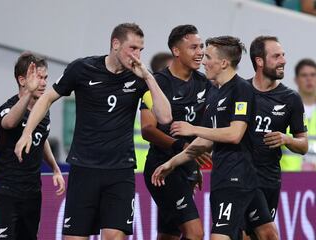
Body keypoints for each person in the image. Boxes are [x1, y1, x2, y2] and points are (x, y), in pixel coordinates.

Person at [15, 23, 172, 240]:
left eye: (140, 50)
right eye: (132, 48)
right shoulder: (82, 69)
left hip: (120, 170)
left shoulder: (138, 78)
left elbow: (165, 117)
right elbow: (47, 98)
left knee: (115, 236)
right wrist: (27, 132)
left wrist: (148, 77)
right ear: (115, 44)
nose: (137, 55)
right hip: (84, 168)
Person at [152, 36, 258, 240]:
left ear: (224, 63)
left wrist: (193, 129)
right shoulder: (215, 94)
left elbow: (234, 134)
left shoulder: (241, 89)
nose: (203, 61)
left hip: (238, 178)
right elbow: (207, 140)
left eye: (208, 56)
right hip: (221, 178)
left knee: (220, 236)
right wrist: (172, 163)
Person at [141, 24, 211, 240]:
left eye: (201, 47)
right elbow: (147, 129)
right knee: (195, 233)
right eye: (193, 47)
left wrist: (192, 163)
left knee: (168, 235)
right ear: (176, 51)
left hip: (186, 168)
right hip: (162, 170)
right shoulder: (157, 83)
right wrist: (182, 147)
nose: (200, 52)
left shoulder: (205, 84)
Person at [0, 52, 65, 240]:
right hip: (6, 193)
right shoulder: (8, 108)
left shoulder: (43, 111)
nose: (43, 82)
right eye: (38, 77)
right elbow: (9, 123)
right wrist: (28, 94)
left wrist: (55, 169)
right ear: (22, 80)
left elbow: (42, 138)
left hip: (32, 193)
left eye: (46, 77)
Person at [243, 36, 309, 240]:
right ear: (259, 61)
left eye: (283, 55)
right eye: (276, 56)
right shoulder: (240, 91)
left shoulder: (291, 98)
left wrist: (286, 139)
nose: (283, 60)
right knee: (269, 234)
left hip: (270, 180)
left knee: (251, 236)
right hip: (242, 177)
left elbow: (303, 145)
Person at [280, 58, 316, 171]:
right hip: (288, 178)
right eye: (304, 75)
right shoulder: (284, 110)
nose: (309, 79)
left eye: (313, 75)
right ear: (296, 80)